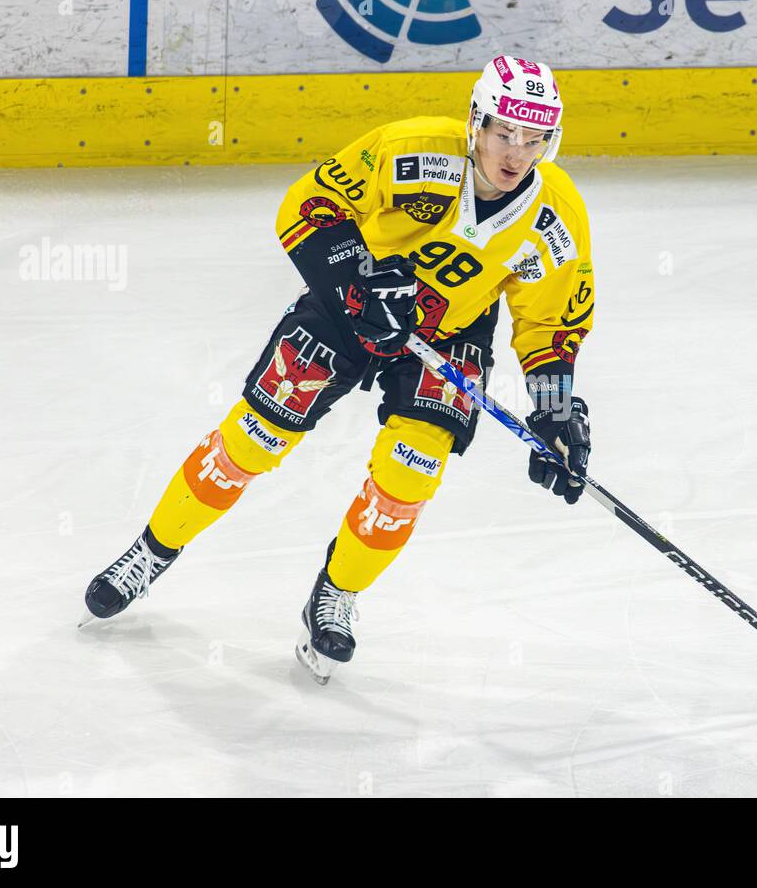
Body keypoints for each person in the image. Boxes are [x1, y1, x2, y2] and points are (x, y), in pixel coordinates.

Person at [83, 55, 596, 685]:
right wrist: (355, 278)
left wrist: (554, 409)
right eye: (504, 133)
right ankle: (150, 552)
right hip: (347, 309)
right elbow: (308, 206)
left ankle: (337, 593)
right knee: (250, 440)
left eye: (534, 138)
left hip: (451, 333)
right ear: (475, 124)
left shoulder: (556, 218)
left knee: (410, 475)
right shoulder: (412, 152)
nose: (516, 153)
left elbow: (550, 326)